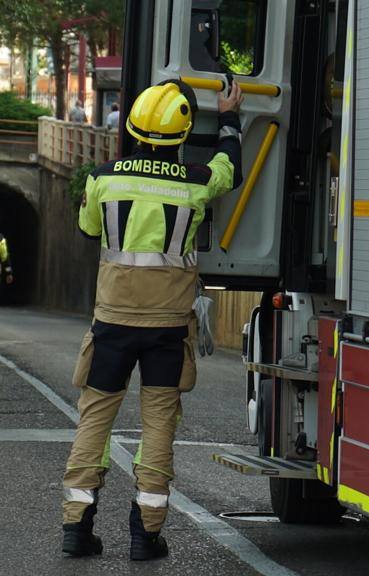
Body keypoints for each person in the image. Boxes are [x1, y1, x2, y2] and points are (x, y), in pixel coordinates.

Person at [60, 78, 244, 560]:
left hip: (113, 321)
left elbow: (86, 229)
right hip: (167, 325)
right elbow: (231, 168)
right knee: (159, 423)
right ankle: (146, 535)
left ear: (133, 127)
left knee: (94, 417)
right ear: (181, 137)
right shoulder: (197, 181)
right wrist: (228, 119)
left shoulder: (104, 178)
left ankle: (76, 528)